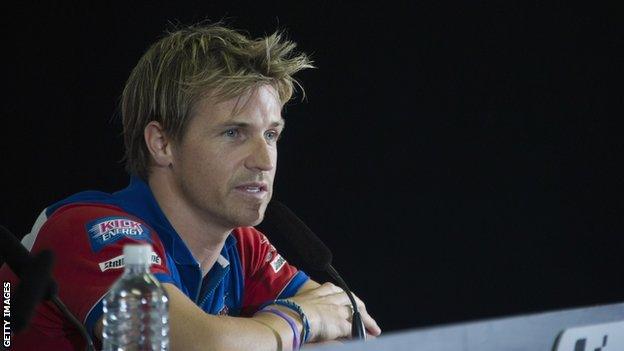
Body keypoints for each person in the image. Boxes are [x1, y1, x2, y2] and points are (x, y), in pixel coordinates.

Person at [0, 23, 381, 350]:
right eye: (234, 133)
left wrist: (287, 327)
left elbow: (348, 324)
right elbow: (197, 344)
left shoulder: (243, 246)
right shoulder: (91, 231)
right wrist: (298, 318)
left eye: (271, 134)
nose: (264, 160)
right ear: (162, 143)